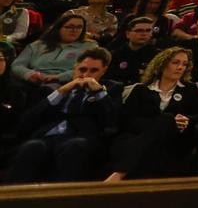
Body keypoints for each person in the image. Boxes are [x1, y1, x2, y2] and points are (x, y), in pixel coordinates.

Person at [7, 47, 119, 183]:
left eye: (94, 71)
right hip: (50, 135)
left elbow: (112, 120)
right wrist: (61, 92)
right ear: (75, 67)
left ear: (104, 71)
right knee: (33, 146)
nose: (86, 75)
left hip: (83, 137)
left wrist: (99, 93)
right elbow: (28, 119)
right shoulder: (55, 89)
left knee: (73, 146)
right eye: (82, 70)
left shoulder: (112, 89)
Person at [106, 47, 198, 180]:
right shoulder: (141, 89)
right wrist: (156, 125)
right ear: (162, 65)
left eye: (184, 64)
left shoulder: (190, 89)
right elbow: (127, 120)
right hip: (138, 136)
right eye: (175, 62)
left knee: (167, 121)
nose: (180, 67)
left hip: (176, 138)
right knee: (165, 121)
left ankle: (120, 173)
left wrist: (186, 120)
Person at [11, 12, 97, 89]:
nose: (74, 30)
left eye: (79, 27)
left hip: (66, 82)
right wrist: (29, 74)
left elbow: (89, 69)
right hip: (34, 80)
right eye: (69, 27)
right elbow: (17, 65)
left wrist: (58, 77)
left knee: (49, 89)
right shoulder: (38, 45)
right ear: (58, 28)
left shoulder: (89, 46)